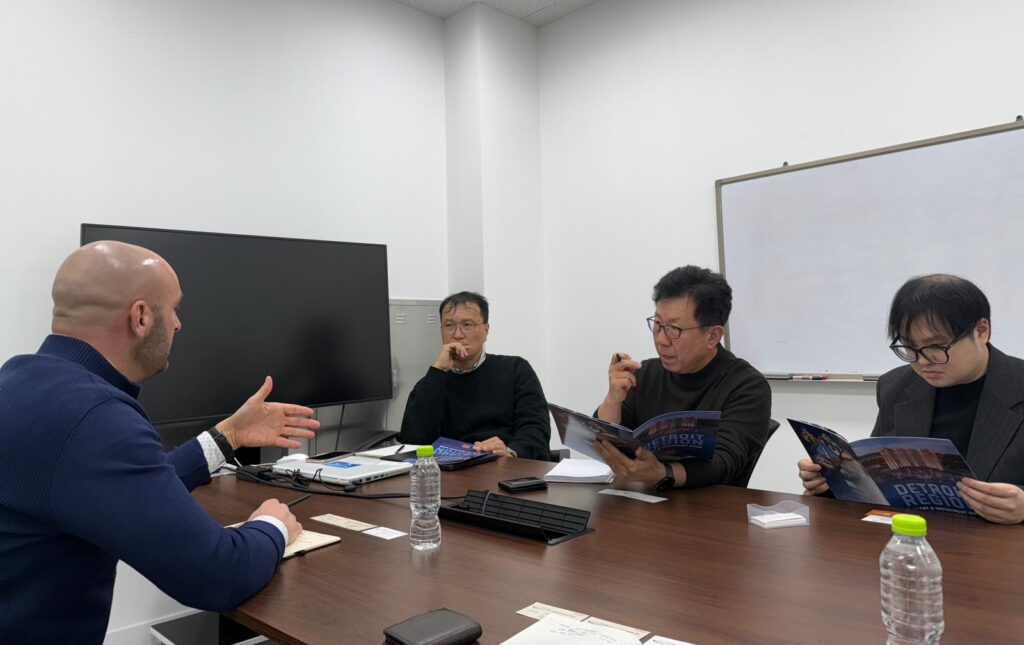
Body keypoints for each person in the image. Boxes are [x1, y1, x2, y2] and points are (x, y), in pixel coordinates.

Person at [0, 241, 322, 642]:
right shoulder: (96, 417)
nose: (177, 324)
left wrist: (229, 435)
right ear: (140, 317)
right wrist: (272, 525)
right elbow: (216, 576)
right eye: (174, 309)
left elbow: (125, 486)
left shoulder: (19, 382)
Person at [797, 274, 1024, 524]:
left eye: (936, 346)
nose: (922, 361)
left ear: (982, 331)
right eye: (909, 347)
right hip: (912, 540)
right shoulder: (896, 386)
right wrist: (833, 483)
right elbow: (880, 483)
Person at [596, 266, 772, 490]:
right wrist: (613, 399)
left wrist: (663, 474)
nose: (661, 339)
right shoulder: (645, 373)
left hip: (712, 511)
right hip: (644, 503)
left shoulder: (747, 387)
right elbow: (605, 445)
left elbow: (724, 462)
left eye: (674, 329)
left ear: (713, 336)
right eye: (657, 325)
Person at [399, 292, 550, 459]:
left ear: (486, 331)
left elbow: (536, 431)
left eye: (467, 324)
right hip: (453, 474)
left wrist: (510, 452)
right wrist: (438, 371)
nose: (457, 334)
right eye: (449, 326)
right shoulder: (431, 382)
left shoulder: (516, 370)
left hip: (504, 469)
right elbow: (412, 441)